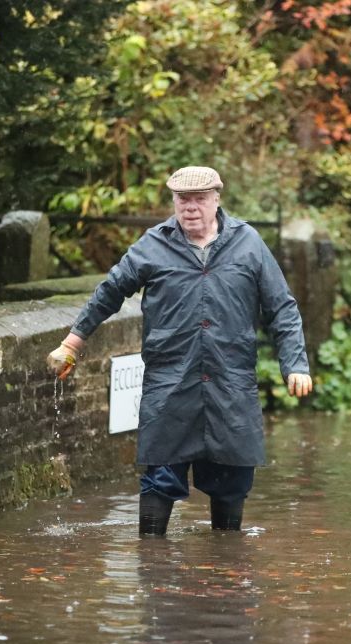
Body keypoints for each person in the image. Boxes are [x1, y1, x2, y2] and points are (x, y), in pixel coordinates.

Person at [46, 166, 313, 536]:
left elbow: (281, 307)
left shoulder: (248, 243)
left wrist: (295, 364)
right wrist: (72, 343)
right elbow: (110, 291)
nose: (190, 208)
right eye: (182, 200)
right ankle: (153, 569)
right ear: (173, 201)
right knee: (159, 475)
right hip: (170, 381)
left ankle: (226, 571)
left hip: (230, 383)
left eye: (199, 199)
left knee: (232, 479)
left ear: (216, 199)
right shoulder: (153, 245)